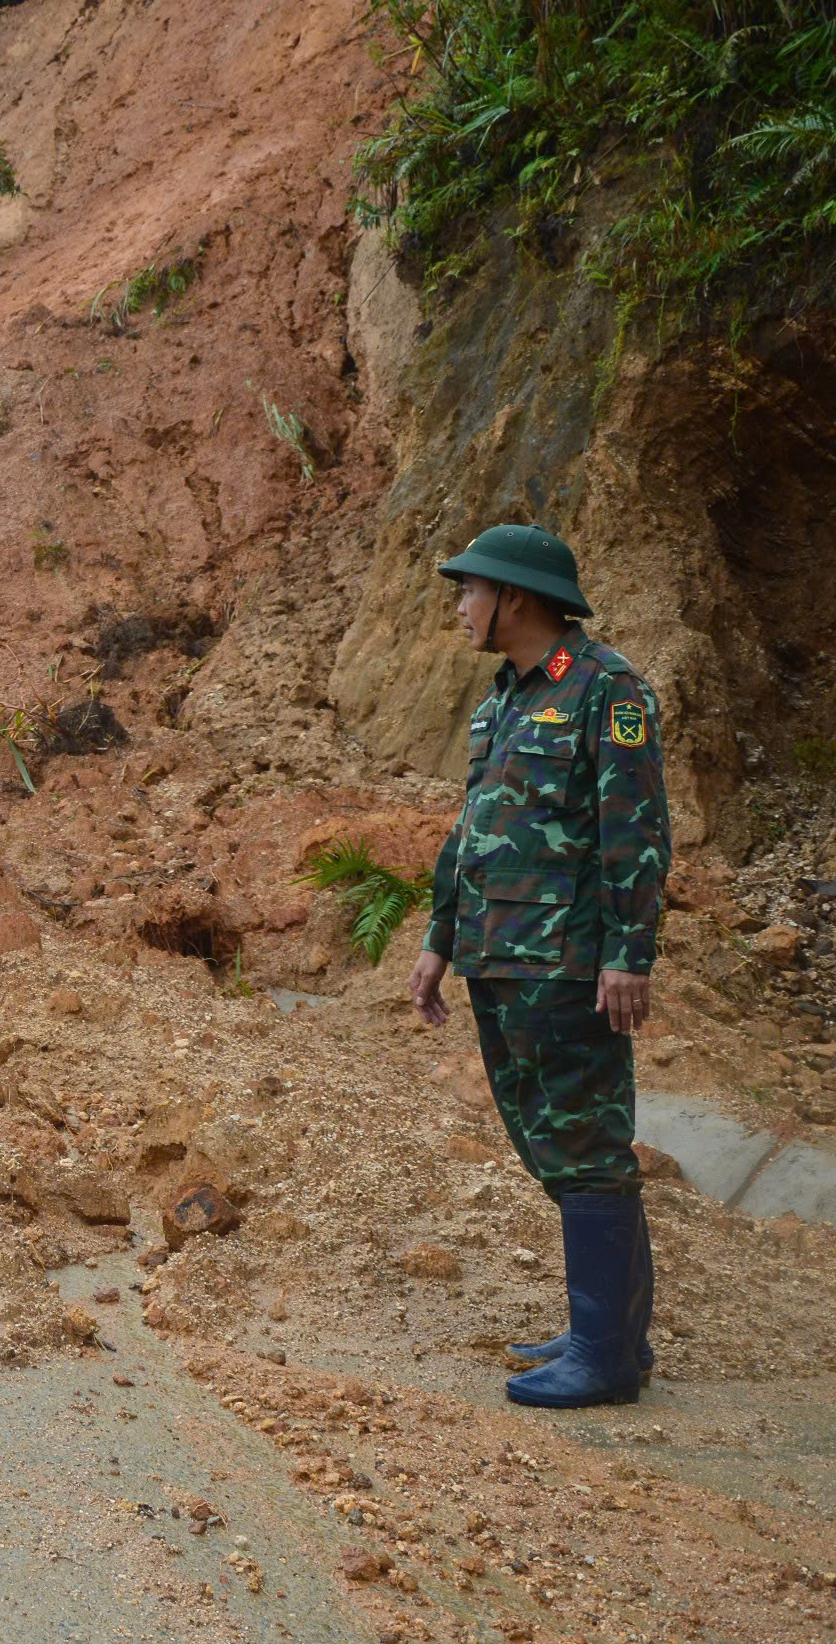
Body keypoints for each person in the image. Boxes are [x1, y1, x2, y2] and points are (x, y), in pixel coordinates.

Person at [409, 524, 670, 1410]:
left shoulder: (608, 689)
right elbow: (472, 831)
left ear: (514, 597)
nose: (460, 606)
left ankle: (604, 1358)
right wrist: (439, 939)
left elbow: (635, 833)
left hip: (566, 962)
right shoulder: (504, 702)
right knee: (553, 1141)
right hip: (500, 954)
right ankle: (614, 1340)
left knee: (585, 1144)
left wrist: (628, 955)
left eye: (470, 591)